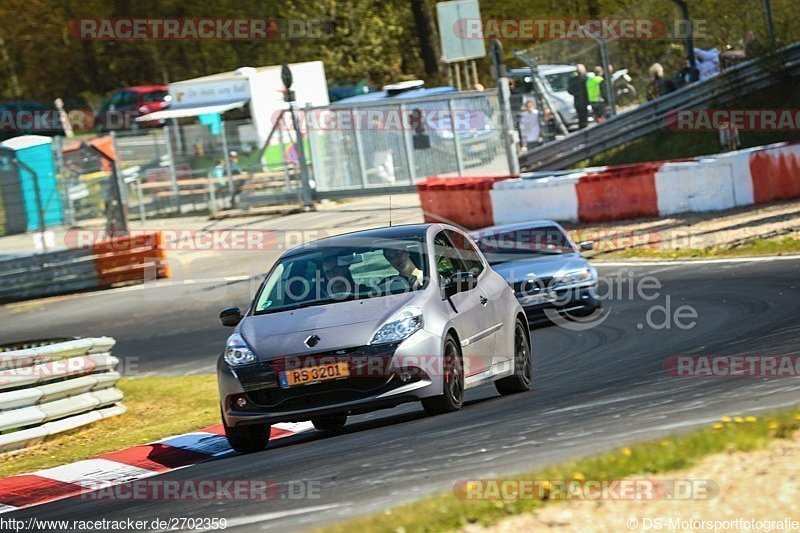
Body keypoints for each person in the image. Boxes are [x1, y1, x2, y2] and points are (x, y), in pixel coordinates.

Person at [567, 64, 590, 129]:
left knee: (582, 118)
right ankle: (584, 131)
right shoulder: (583, 79)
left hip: (582, 101)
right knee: (582, 118)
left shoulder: (586, 78)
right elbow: (570, 90)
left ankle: (584, 129)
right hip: (581, 101)